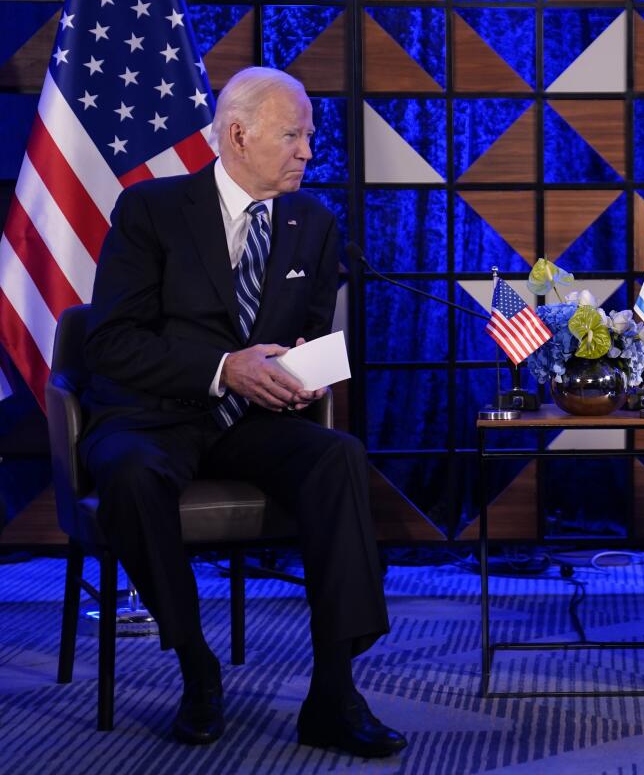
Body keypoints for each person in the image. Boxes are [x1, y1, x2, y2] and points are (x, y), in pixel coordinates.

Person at [80, 67, 405, 758]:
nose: (307, 152)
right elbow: (109, 344)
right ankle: (196, 664)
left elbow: (306, 339)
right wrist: (225, 368)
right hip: (152, 416)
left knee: (338, 455)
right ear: (237, 134)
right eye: (293, 135)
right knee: (131, 475)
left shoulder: (313, 223)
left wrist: (303, 378)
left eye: (308, 137)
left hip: (254, 425)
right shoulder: (151, 211)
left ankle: (334, 691)